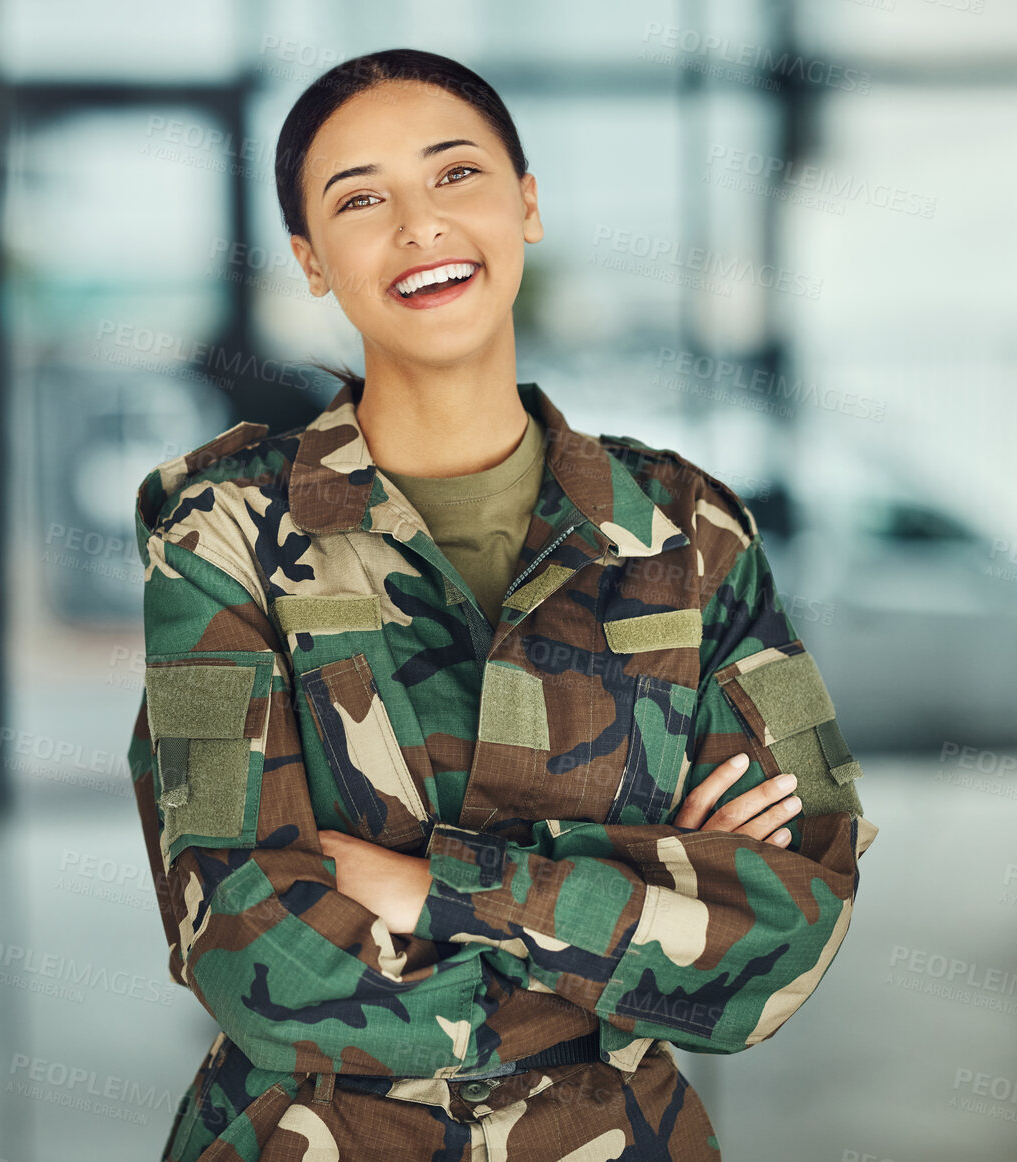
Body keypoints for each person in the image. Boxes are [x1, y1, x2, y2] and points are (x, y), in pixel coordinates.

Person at [124, 49, 875, 1162]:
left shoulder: (687, 529)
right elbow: (248, 948)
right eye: (361, 199)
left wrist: (431, 889)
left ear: (524, 204)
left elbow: (787, 928)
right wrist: (636, 915)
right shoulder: (221, 527)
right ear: (311, 261)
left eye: (456, 174)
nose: (419, 225)